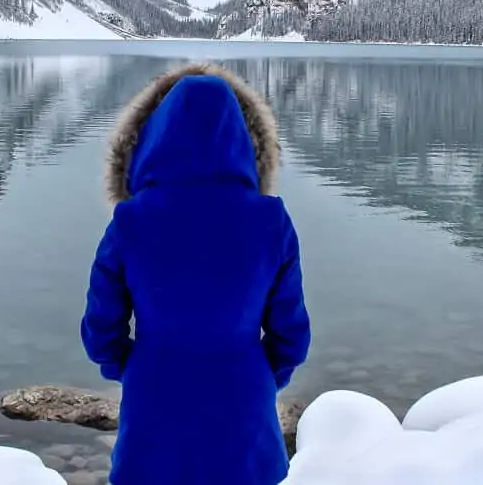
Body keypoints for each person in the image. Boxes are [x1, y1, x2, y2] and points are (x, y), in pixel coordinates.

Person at [80, 63, 312, 485]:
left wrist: (132, 368)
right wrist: (259, 374)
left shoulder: (131, 221)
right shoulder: (270, 220)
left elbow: (100, 331)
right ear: (245, 141)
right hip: (245, 405)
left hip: (154, 400)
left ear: (152, 138)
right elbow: (292, 337)